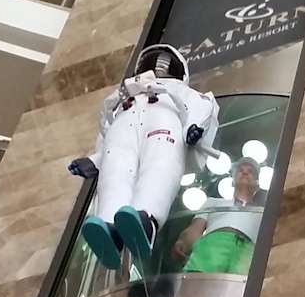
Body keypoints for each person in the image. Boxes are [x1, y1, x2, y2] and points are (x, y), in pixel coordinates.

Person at [67, 44, 218, 270]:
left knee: (158, 167)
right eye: (152, 63)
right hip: (123, 130)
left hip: (164, 123)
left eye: (163, 64)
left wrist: (194, 128)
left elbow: (201, 108)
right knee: (114, 172)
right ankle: (109, 226)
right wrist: (96, 160)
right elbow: (105, 135)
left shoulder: (181, 92)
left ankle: (147, 218)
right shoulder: (122, 99)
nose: (157, 68)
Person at [171, 157, 263, 277]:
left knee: (242, 286)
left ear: (257, 184)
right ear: (232, 181)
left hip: (248, 252)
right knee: (198, 282)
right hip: (213, 245)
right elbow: (196, 228)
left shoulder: (263, 213)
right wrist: (184, 242)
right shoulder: (213, 202)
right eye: (240, 170)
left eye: (251, 172)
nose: (245, 172)